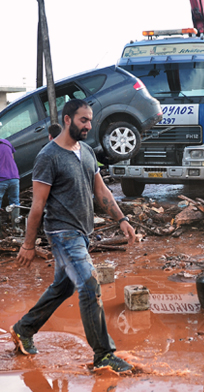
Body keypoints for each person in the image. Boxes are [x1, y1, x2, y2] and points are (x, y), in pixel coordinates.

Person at [12, 99, 137, 374]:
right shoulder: (48, 156)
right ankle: (103, 355)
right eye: (83, 120)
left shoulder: (88, 151)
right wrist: (28, 244)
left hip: (82, 234)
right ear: (67, 119)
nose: (89, 125)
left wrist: (123, 220)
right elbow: (37, 206)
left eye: (90, 120)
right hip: (62, 233)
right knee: (89, 284)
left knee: (64, 287)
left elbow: (102, 192)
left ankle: (24, 329)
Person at [0, 136, 21, 234]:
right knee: (15, 202)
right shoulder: (7, 143)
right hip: (14, 177)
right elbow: (12, 158)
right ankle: (15, 227)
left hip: (1, 179)